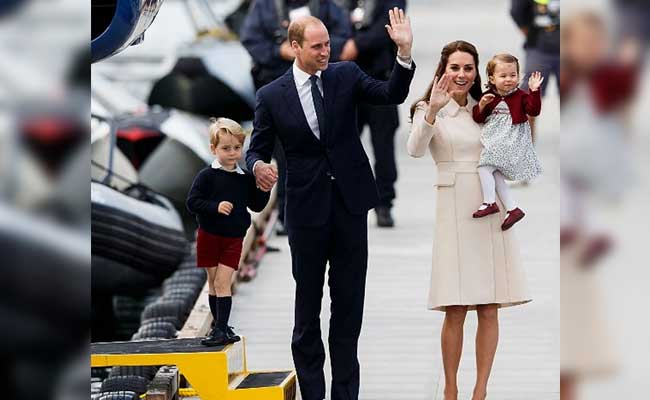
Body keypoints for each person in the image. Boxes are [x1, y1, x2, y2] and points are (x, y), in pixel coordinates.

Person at [245, 10, 414, 400]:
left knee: (349, 307)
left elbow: (392, 94)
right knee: (307, 311)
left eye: (328, 45)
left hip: (351, 205)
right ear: (295, 47)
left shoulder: (346, 75)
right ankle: (312, 393)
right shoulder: (271, 95)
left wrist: (403, 52)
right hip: (306, 212)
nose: (326, 51)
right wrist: (257, 167)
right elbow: (256, 148)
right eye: (318, 46)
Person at [407, 40, 531, 400]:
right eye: (455, 67)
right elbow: (415, 149)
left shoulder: (488, 107)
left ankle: (481, 391)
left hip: (489, 205)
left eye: (468, 68)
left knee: (489, 306)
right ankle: (450, 388)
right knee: (456, 306)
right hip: (453, 206)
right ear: (443, 70)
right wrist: (431, 112)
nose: (461, 75)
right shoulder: (427, 107)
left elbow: (508, 153)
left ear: (478, 73)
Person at [241, 0, 352, 235]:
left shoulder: (325, 7)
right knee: (282, 157)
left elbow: (342, 35)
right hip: (277, 89)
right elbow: (251, 39)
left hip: (317, 89)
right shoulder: (264, 7)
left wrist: (317, 53)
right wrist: (278, 51)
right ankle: (285, 214)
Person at [186, 118, 270, 346]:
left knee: (224, 282)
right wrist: (215, 206)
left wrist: (264, 189)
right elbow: (192, 202)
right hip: (209, 236)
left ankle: (221, 328)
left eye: (236, 147)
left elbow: (256, 205)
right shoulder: (206, 176)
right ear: (213, 149)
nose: (232, 153)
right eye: (226, 148)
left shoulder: (245, 179)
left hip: (233, 238)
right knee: (213, 282)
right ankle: (219, 326)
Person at [338, 0, 405, 227]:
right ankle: (347, 200)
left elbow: (389, 25)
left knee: (383, 147)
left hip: (379, 77)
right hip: (344, 79)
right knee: (342, 146)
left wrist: (357, 45)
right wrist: (341, 45)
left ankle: (384, 203)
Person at [471, 53, 544, 230]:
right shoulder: (489, 96)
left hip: (511, 140)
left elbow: (534, 111)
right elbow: (478, 117)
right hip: (496, 140)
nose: (509, 79)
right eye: (503, 76)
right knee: (495, 173)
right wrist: (481, 105)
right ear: (492, 78)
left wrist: (534, 91)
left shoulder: (520, 96)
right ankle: (512, 209)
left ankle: (489, 202)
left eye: (513, 75)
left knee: (484, 166)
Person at [510, 0, 560, 144]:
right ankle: (525, 149)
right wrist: (531, 33)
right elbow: (516, 10)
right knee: (528, 100)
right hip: (539, 49)